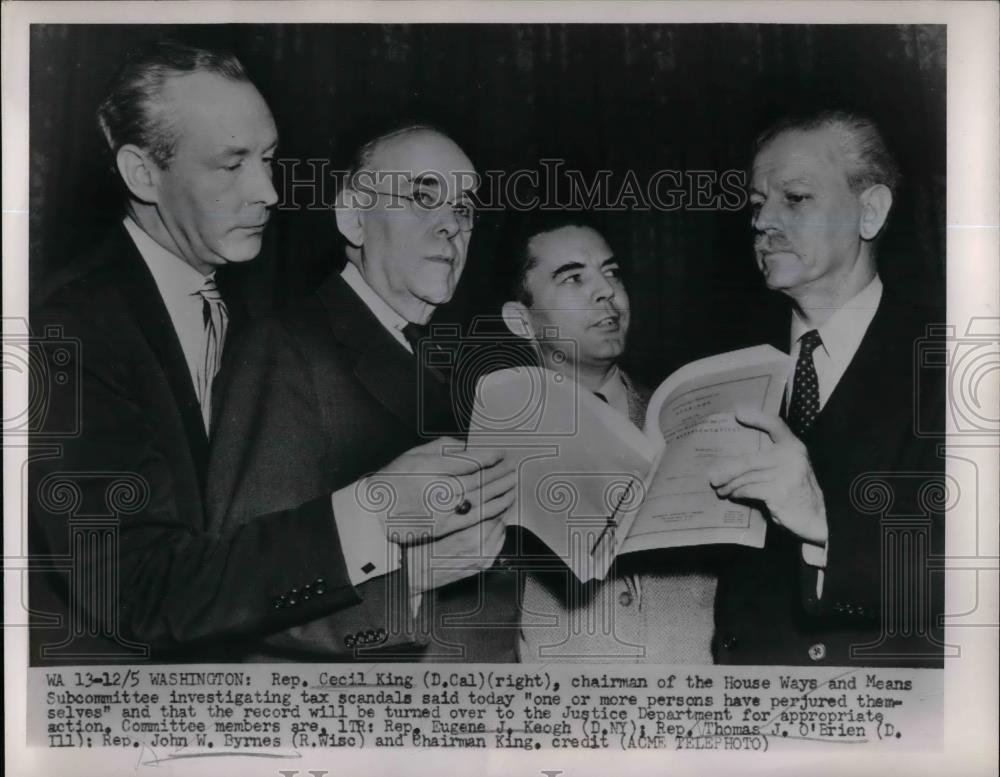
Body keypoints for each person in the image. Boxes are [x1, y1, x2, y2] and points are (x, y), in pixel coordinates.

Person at [29, 40, 383, 664]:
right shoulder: (69, 334)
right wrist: (371, 519)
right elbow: (135, 590)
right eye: (231, 165)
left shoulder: (245, 312)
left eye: (269, 159)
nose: (269, 191)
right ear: (142, 173)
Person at [206, 124, 520, 661]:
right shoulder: (286, 348)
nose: (451, 224)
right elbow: (241, 588)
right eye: (424, 196)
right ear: (354, 217)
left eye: (464, 206)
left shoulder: (453, 361)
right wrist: (412, 585)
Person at [710, 111, 946, 667]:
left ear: (870, 212)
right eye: (756, 202)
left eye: (794, 198)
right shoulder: (725, 368)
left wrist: (822, 523)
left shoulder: (957, 359)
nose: (763, 221)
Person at [500, 213, 716, 662]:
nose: (606, 292)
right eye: (573, 278)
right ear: (521, 321)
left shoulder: (690, 421)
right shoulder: (492, 444)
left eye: (611, 273)